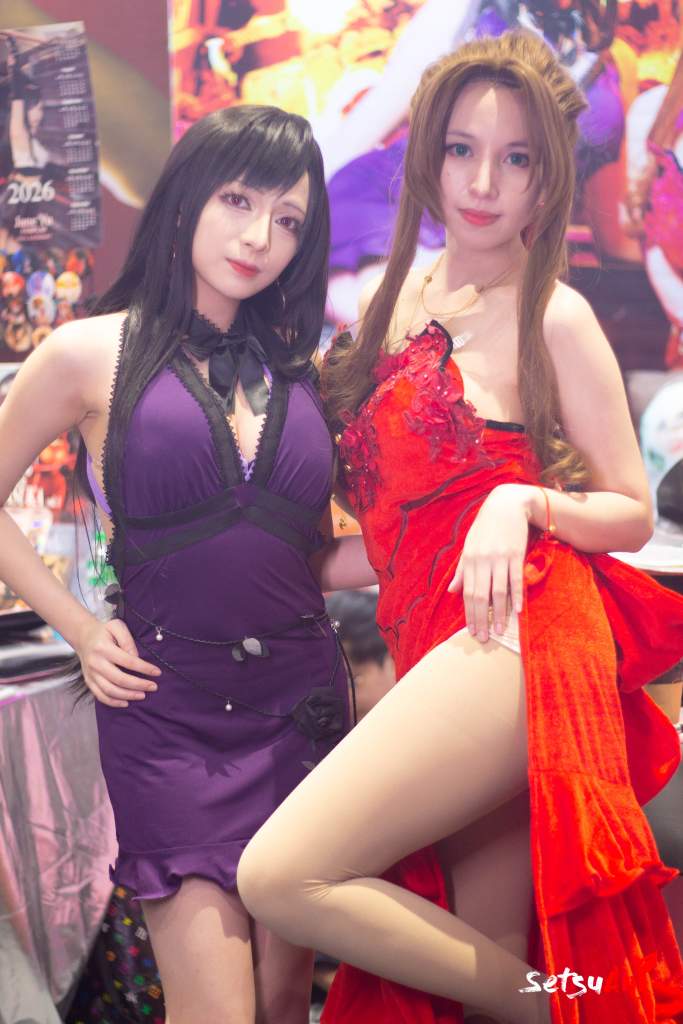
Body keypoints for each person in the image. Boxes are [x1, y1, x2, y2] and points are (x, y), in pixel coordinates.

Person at [236, 32, 683, 1024]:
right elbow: (395, 533)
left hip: (518, 633)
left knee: (282, 874)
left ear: (546, 178)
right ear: (427, 157)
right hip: (429, 636)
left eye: (515, 158)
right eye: (461, 150)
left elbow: (630, 509)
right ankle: (567, 1005)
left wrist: (520, 501)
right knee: (479, 958)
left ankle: (570, 1009)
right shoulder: (389, 299)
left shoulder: (552, 315)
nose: (483, 182)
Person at [0, 105, 375, 1024]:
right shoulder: (88, 352)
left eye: (287, 219)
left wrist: (451, 539)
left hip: (300, 704)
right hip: (167, 715)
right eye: (238, 200)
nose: (259, 237)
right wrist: (80, 628)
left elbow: (304, 559)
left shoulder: (306, 371)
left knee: (283, 1003)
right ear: (186, 198)